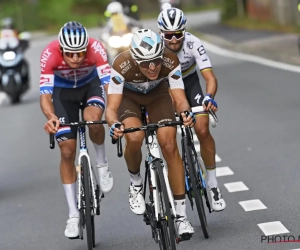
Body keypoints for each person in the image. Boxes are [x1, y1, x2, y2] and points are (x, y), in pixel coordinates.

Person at [106, 28, 195, 237]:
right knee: (134, 136)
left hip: (158, 97)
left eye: (156, 60)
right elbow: (111, 108)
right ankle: (136, 182)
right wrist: (113, 124)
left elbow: (180, 99)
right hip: (129, 99)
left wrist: (185, 112)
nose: (153, 67)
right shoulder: (121, 64)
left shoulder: (170, 60)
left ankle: (181, 217)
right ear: (136, 60)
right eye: (146, 63)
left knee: (170, 144)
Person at [39, 21, 113, 238]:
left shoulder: (97, 48)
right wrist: (51, 116)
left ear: (86, 48)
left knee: (93, 120)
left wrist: (115, 110)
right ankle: (73, 214)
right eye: (70, 54)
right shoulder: (49, 54)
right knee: (67, 150)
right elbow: (45, 95)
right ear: (61, 49)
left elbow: (109, 85)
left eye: (80, 53)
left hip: (91, 86)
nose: (75, 58)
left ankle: (101, 163)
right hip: (63, 94)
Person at [157, 8, 226, 211]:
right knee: (168, 136)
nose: (174, 39)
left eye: (178, 33)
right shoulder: (156, 49)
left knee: (202, 129)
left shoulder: (193, 43)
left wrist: (209, 97)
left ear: (184, 31)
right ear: (161, 34)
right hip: (167, 86)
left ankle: (212, 184)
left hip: (190, 81)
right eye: (168, 35)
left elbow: (210, 77)